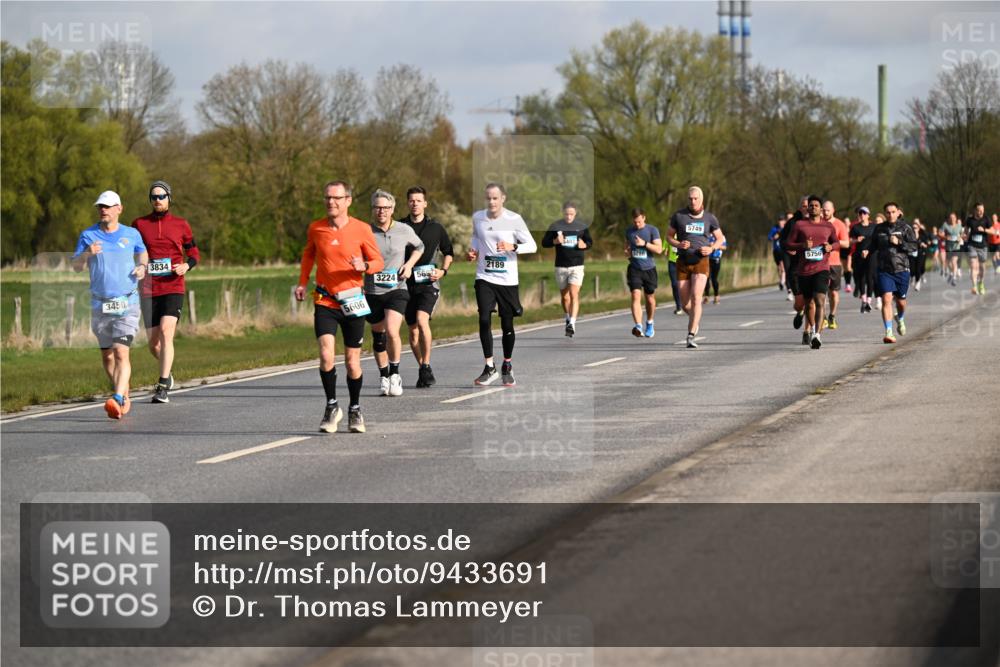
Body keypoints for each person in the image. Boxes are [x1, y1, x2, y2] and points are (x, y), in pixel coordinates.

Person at [295, 180, 384, 434]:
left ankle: (355, 409)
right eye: (327, 198)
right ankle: (332, 406)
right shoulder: (316, 228)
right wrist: (302, 283)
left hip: (353, 300)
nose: (331, 202)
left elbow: (377, 260)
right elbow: (308, 256)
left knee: (352, 361)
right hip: (325, 299)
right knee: (325, 355)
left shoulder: (362, 229)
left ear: (348, 200)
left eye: (336, 198)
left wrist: (364, 266)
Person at [72, 191, 148, 419]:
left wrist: (142, 267)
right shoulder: (88, 235)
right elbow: (76, 266)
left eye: (107, 206)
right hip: (100, 304)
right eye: (100, 207)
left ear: (119, 208)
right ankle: (123, 393)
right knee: (107, 357)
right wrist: (87, 253)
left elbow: (143, 254)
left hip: (128, 300)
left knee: (121, 352)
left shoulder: (131, 234)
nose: (103, 210)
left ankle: (116, 397)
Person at [132, 180, 199, 404]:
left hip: (173, 285)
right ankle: (168, 374)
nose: (158, 200)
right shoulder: (139, 224)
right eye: (154, 197)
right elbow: (132, 252)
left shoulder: (181, 224)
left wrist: (186, 266)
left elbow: (194, 252)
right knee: (153, 343)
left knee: (165, 330)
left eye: (162, 196)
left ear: (169, 198)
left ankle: (162, 386)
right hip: (149, 289)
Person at [467, 183, 537, 386]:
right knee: (484, 317)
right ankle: (489, 367)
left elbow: (531, 245)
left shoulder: (514, 219)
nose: (492, 202)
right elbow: (476, 237)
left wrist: (512, 246)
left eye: (495, 198)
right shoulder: (478, 217)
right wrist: (473, 251)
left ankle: (507, 364)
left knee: (507, 323)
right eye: (488, 198)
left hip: (507, 280)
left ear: (503, 198)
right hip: (484, 276)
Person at [365, 189, 424, 397]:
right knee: (378, 338)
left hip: (397, 289)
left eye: (386, 208)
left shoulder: (404, 229)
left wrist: (408, 265)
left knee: (392, 331)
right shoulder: (365, 231)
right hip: (372, 291)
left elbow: (420, 246)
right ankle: (383, 376)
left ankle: (395, 375)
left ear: (392, 209)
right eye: (378, 207)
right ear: (373, 209)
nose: (382, 211)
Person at [400, 186, 453, 388]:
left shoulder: (436, 227)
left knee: (423, 321)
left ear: (425, 203)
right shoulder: (400, 226)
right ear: (408, 203)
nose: (415, 204)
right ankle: (424, 368)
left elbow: (449, 251)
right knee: (412, 334)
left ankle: (427, 363)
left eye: (419, 200)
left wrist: (443, 271)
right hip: (406, 285)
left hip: (429, 283)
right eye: (412, 200)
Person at [667, 186, 725, 348]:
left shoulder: (710, 218)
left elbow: (720, 238)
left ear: (702, 200)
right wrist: (679, 243)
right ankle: (695, 319)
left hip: (701, 260)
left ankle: (690, 334)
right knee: (685, 303)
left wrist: (712, 248)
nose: (693, 201)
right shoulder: (679, 216)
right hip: (683, 261)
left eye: (696, 199)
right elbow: (669, 236)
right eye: (690, 199)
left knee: (696, 297)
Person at [784, 195, 838, 349]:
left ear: (821, 209)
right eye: (811, 205)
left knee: (820, 300)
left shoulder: (828, 226)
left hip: (822, 269)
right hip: (804, 271)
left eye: (816, 205)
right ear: (807, 208)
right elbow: (788, 243)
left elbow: (836, 242)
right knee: (808, 304)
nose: (813, 207)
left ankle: (816, 335)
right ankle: (813, 328)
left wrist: (830, 247)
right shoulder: (799, 225)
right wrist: (802, 245)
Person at [541, 201, 593, 337]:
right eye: (566, 214)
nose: (569, 217)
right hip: (561, 266)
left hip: (577, 265)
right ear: (562, 213)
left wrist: (584, 245)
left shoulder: (582, 227)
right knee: (565, 297)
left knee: (573, 294)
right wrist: (554, 242)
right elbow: (544, 243)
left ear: (575, 213)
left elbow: (589, 242)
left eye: (571, 214)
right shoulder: (555, 226)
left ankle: (572, 324)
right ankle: (567, 317)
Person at [871, 202, 917, 344]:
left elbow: (914, 246)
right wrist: (866, 251)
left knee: (901, 302)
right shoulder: (879, 228)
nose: (890, 214)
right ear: (885, 214)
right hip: (885, 270)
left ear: (898, 212)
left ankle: (900, 318)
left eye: (893, 212)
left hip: (902, 269)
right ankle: (889, 332)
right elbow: (873, 245)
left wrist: (900, 242)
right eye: (888, 212)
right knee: (886, 299)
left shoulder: (906, 228)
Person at [624, 207, 663, 338]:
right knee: (635, 295)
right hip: (635, 268)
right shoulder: (629, 231)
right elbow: (627, 247)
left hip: (649, 269)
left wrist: (644, 244)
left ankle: (650, 322)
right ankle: (638, 326)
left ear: (644, 218)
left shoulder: (652, 230)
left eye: (639, 222)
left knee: (650, 299)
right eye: (635, 222)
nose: (637, 224)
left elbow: (659, 249)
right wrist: (627, 252)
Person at [780, 197, 811, 325]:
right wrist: (789, 248)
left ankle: (812, 332)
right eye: (804, 206)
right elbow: (783, 241)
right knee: (799, 303)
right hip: (797, 266)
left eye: (809, 205)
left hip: (813, 266)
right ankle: (800, 311)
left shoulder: (819, 222)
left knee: (813, 301)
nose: (807, 208)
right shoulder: (793, 223)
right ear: (800, 208)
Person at [821, 200, 850, 330]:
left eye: (827, 210)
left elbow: (846, 243)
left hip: (834, 263)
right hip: (820, 263)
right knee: (821, 292)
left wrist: (832, 244)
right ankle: (823, 317)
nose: (825, 212)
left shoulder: (839, 224)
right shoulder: (818, 223)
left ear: (833, 210)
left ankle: (832, 315)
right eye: (823, 210)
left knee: (833, 293)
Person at [850, 206, 877, 313]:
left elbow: (876, 240)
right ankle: (864, 301)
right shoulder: (855, 228)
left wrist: (869, 251)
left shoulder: (874, 226)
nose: (862, 215)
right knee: (861, 277)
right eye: (860, 213)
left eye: (864, 213)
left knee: (870, 277)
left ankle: (869, 301)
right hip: (859, 255)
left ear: (868, 215)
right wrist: (857, 240)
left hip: (871, 254)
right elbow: (850, 241)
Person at [964, 203, 989, 295]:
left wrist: (984, 230)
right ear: (975, 210)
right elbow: (966, 231)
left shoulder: (986, 219)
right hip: (972, 246)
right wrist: (964, 235)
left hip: (983, 246)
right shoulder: (970, 220)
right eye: (979, 210)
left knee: (982, 268)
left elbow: (992, 231)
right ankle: (974, 286)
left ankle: (981, 283)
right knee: (973, 265)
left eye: (982, 209)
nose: (981, 211)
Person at [910, 218, 932, 291]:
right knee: (912, 268)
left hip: (921, 252)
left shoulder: (923, 233)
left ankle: (918, 282)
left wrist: (924, 244)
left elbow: (927, 243)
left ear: (919, 225)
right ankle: (912, 277)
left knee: (918, 268)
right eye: (914, 224)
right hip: (912, 252)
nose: (915, 226)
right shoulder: (910, 233)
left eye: (916, 224)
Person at [941, 212, 963, 285]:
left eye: (953, 218)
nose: (952, 219)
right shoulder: (945, 225)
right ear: (949, 219)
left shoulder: (959, 226)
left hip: (956, 247)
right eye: (950, 218)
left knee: (954, 262)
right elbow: (939, 233)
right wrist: (945, 237)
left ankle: (954, 278)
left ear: (956, 218)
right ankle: (951, 273)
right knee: (949, 264)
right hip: (949, 247)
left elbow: (963, 234)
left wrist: (960, 238)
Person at [768, 215, 787, 293]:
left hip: (783, 250)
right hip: (776, 250)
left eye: (782, 220)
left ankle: (782, 282)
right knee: (779, 267)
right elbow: (769, 237)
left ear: (785, 221)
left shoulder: (786, 228)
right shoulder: (774, 229)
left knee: (782, 266)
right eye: (780, 220)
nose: (781, 222)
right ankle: (781, 281)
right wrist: (774, 237)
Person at [706, 236, 727, 304]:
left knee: (714, 279)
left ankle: (716, 296)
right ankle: (706, 296)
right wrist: (708, 245)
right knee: (706, 278)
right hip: (707, 259)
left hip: (716, 259)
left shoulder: (721, 236)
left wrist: (714, 246)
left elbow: (724, 247)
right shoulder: (707, 234)